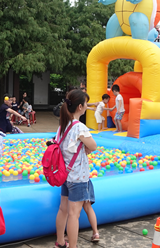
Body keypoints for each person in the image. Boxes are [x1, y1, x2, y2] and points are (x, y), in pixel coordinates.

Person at [54, 89, 99, 248]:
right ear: (80, 106)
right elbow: (93, 146)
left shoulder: (62, 126)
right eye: (86, 104)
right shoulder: (79, 127)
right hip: (78, 177)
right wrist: (86, 147)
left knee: (63, 210)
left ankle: (60, 242)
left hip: (65, 176)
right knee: (74, 215)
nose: (87, 106)